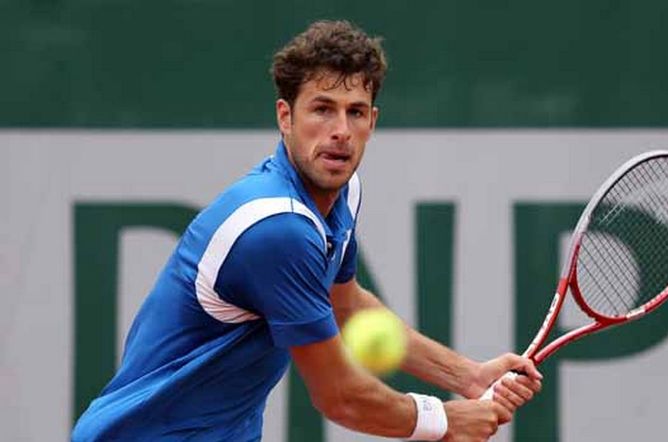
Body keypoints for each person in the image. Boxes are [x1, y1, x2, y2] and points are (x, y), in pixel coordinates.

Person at [72, 20, 542, 441]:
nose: (340, 131)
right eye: (322, 109)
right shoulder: (278, 229)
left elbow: (346, 304)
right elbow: (341, 397)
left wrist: (466, 376)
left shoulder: (342, 194)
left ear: (372, 122)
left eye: (356, 112)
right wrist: (444, 420)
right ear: (286, 117)